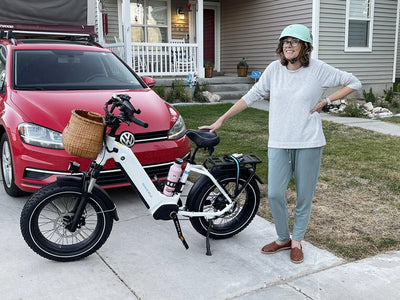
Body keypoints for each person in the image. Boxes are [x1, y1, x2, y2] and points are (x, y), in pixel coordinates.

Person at [199, 24, 361, 264]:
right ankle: (283, 238)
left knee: (304, 195)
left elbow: (353, 82)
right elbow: (251, 95)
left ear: (304, 47)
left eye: (294, 41)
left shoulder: (318, 70)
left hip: (309, 142)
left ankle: (297, 241)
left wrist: (327, 100)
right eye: (285, 41)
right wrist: (220, 119)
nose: (288, 45)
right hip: (279, 142)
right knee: (275, 193)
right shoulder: (274, 69)